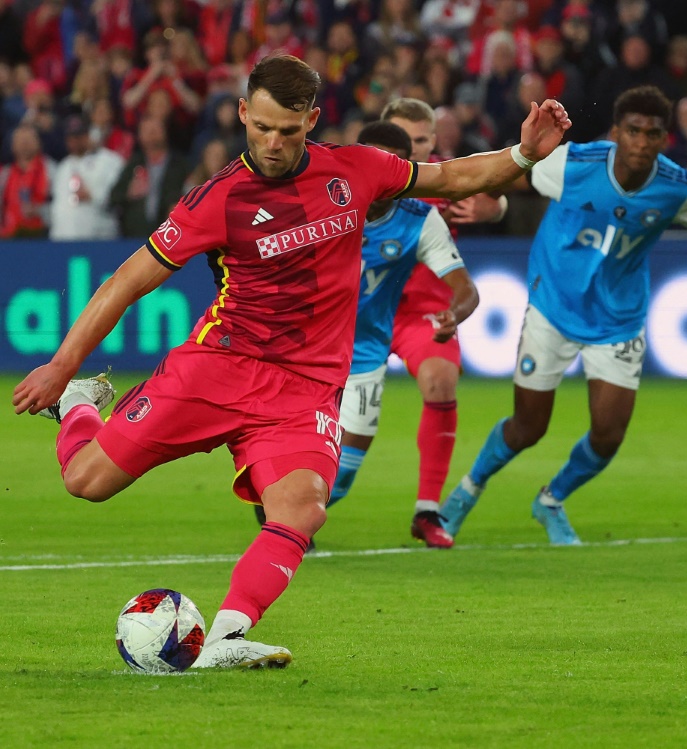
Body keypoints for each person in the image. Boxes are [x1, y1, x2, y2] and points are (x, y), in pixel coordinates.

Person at [11, 54, 570, 668]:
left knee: (303, 508)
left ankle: (225, 636)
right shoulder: (216, 199)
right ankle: (77, 406)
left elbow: (453, 179)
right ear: (245, 113)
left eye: (289, 130)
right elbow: (125, 281)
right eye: (262, 128)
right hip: (218, 367)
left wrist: (522, 155)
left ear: (313, 119)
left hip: (304, 388)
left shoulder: (356, 170)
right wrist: (63, 367)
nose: (273, 144)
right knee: (85, 482)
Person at [440, 85, 687, 545]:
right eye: (633, 131)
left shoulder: (676, 188)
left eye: (653, 133)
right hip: (553, 306)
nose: (642, 141)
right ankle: (467, 490)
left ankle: (551, 500)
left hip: (618, 319)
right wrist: (493, 204)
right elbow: (512, 172)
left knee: (609, 434)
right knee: (528, 427)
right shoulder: (574, 163)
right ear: (617, 132)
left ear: (664, 139)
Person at [321, 120, 478, 549]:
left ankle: (426, 509)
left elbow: (467, 289)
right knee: (300, 452)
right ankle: (286, 516)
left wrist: (454, 314)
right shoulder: (322, 202)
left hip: (370, 344)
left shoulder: (419, 218)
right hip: (310, 346)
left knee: (342, 478)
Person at [49, 114, 126, 240]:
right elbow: (57, 207)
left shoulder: (111, 161)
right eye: (70, 137)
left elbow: (120, 200)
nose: (74, 141)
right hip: (63, 241)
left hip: (99, 239)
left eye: (79, 136)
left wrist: (93, 196)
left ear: (89, 135)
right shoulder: (63, 167)